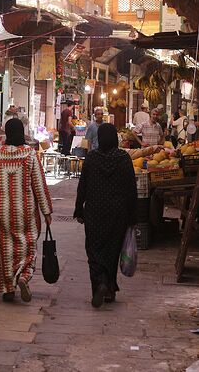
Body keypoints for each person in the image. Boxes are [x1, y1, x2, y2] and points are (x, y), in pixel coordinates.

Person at [0, 118, 52, 303]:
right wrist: (46, 212)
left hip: (3, 210)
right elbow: (39, 185)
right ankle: (23, 276)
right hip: (25, 210)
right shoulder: (29, 154)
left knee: (5, 248)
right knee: (27, 244)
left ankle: (8, 289)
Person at [74, 123, 137, 308]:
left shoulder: (92, 158)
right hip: (118, 214)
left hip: (94, 212)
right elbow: (131, 189)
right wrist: (133, 216)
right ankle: (109, 289)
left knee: (94, 251)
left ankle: (99, 283)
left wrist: (79, 209)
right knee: (112, 251)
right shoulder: (123, 158)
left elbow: (82, 186)